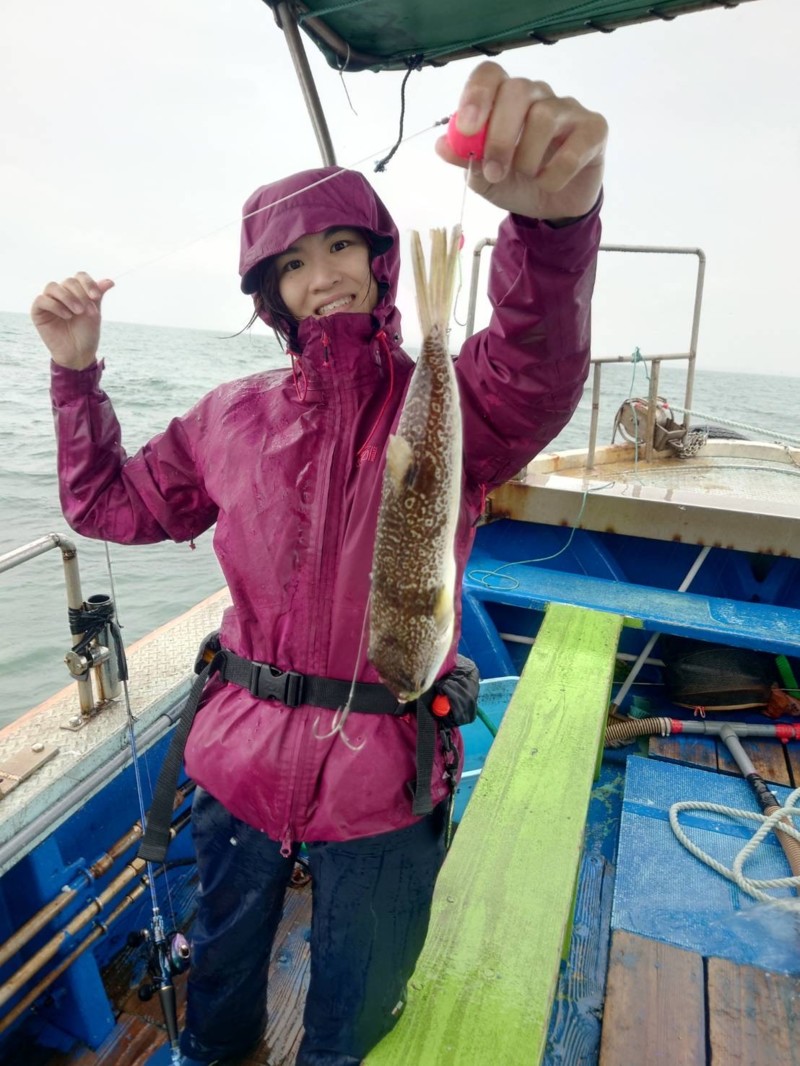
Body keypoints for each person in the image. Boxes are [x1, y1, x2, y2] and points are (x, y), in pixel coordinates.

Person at [31, 61, 606, 1066]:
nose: (323, 272)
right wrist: (75, 374)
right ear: (270, 295)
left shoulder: (454, 405)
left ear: (382, 261)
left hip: (385, 775)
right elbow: (107, 503)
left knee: (357, 996)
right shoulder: (229, 417)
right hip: (235, 763)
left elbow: (532, 362)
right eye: (292, 262)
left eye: (342, 243)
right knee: (218, 974)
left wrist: (549, 234)